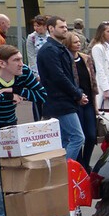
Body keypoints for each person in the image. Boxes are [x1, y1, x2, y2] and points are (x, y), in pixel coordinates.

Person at [0, 44, 47, 216]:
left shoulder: (24, 72)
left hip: (11, 127)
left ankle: (18, 215)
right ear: (2, 63)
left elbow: (43, 95)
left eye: (21, 59)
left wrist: (14, 91)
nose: (21, 64)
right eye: (16, 60)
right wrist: (6, 97)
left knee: (15, 172)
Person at [36, 15, 88, 161]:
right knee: (77, 137)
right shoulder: (49, 50)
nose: (65, 29)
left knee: (65, 140)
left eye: (66, 27)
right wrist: (77, 94)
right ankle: (64, 172)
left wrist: (77, 94)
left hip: (65, 100)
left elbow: (69, 76)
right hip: (59, 101)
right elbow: (58, 77)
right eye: (61, 27)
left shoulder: (59, 48)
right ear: (51, 29)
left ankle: (62, 175)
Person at [66, 32, 99, 173]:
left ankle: (86, 162)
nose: (78, 44)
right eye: (75, 42)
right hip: (76, 102)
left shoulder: (86, 58)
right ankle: (79, 164)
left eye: (79, 41)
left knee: (91, 135)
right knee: (79, 136)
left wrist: (95, 100)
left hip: (89, 101)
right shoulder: (66, 60)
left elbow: (92, 80)